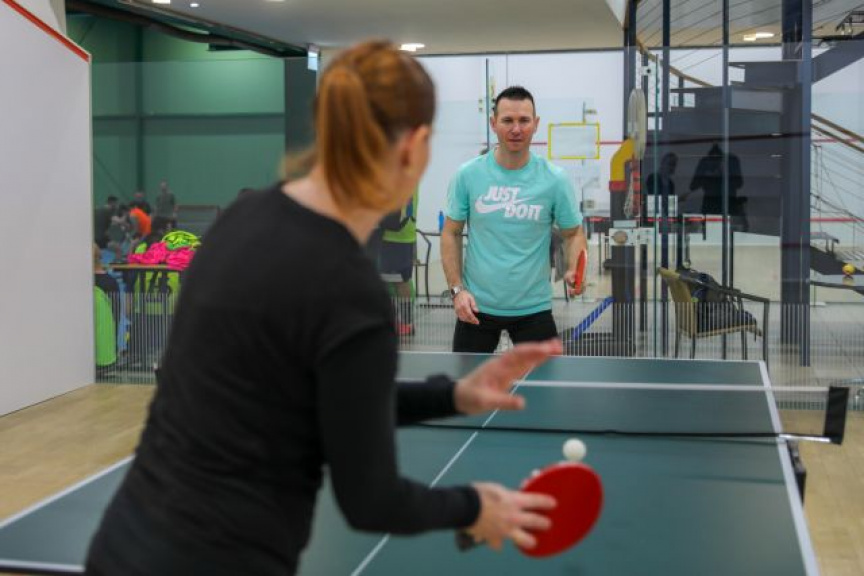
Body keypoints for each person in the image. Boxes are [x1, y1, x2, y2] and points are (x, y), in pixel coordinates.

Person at [85, 41, 560, 576]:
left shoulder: (242, 218)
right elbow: (372, 501)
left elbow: (313, 398)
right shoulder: (350, 292)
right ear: (415, 146)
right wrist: (474, 507)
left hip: (122, 544)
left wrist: (451, 395)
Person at [441, 86, 587, 353]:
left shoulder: (555, 179)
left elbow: (573, 232)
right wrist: (457, 291)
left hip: (534, 310)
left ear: (536, 124)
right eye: (507, 120)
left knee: (545, 382)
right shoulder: (468, 175)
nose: (516, 129)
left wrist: (573, 268)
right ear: (493, 123)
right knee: (467, 382)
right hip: (476, 308)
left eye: (524, 120)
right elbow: (451, 232)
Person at [379, 189, 419, 335]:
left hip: (396, 234)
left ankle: (406, 322)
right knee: (390, 279)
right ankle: (396, 320)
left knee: (400, 280)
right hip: (396, 233)